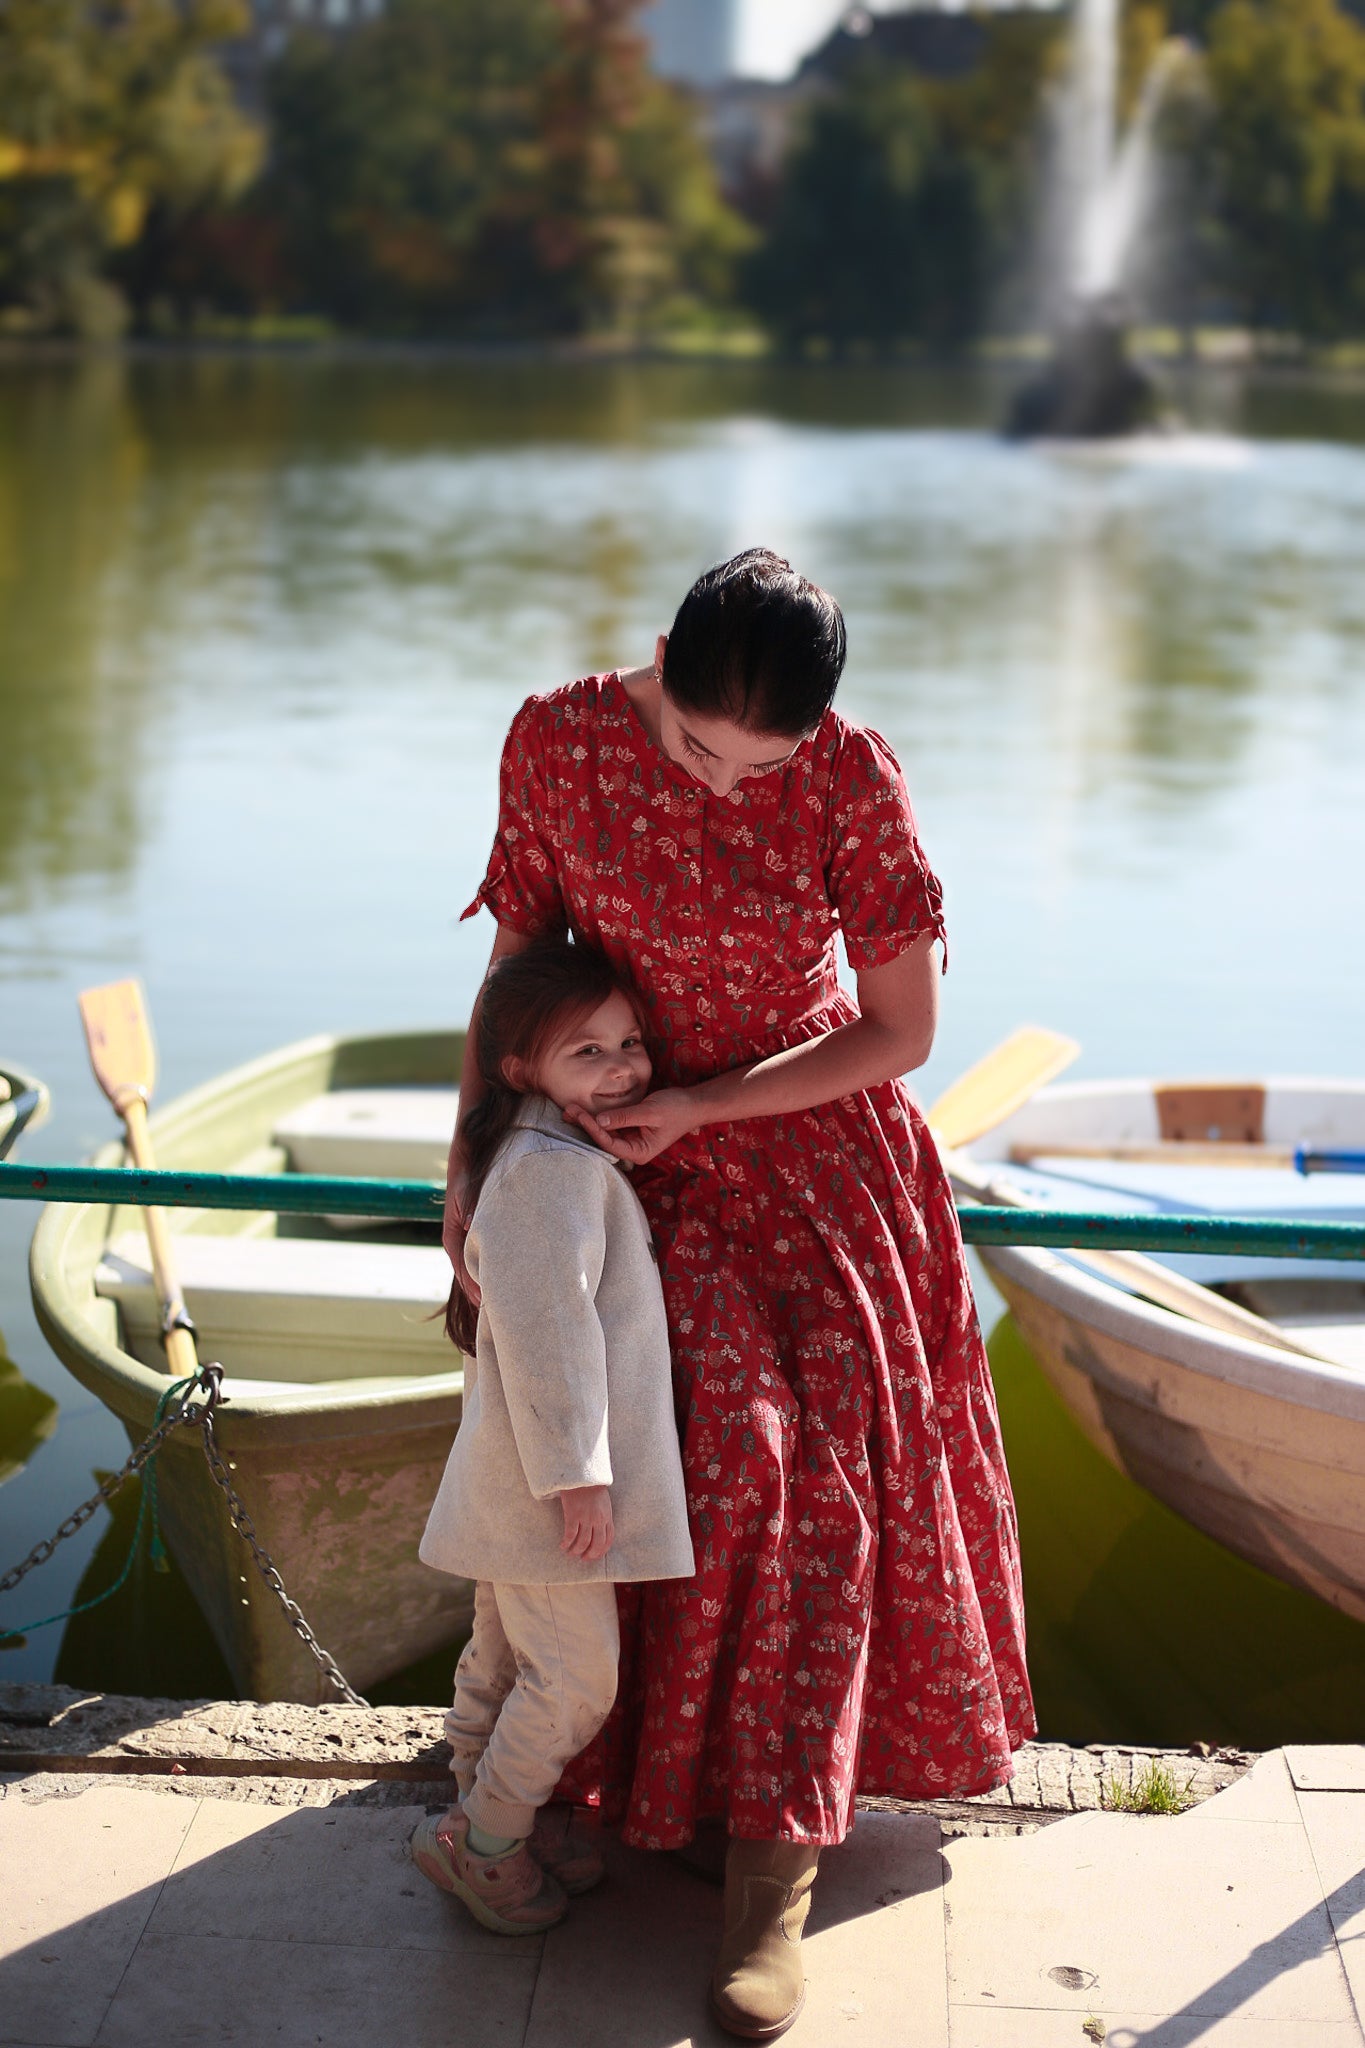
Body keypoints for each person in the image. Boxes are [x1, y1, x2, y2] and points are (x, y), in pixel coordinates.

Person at [448, 548, 1035, 2039]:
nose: (723, 787)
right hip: (609, 1146)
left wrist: (709, 1106)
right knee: (656, 1466)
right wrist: (470, 1174)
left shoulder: (850, 774)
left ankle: (773, 1871)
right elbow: (520, 970)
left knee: (795, 1479)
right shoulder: (560, 738)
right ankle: (664, 1789)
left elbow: (900, 1031)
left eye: (758, 766)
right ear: (660, 658)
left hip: (805, 1140)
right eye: (701, 750)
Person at [413, 939, 694, 1937]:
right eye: (588, 1051)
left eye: (631, 1041)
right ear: (519, 1066)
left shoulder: (544, 1151)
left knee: (499, 1657)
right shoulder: (546, 1172)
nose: (622, 1067)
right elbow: (550, 1337)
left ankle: (484, 1814)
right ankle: (485, 1842)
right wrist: (581, 1476)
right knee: (575, 1678)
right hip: (549, 1488)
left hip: (516, 1479)